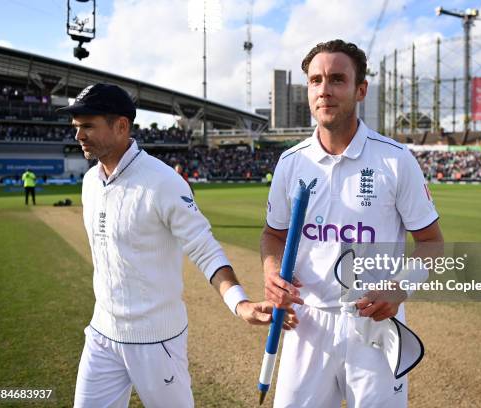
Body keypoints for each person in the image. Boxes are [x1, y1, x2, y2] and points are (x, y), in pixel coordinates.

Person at [57, 83, 295, 408]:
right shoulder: (89, 182)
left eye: (87, 126)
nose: (78, 135)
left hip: (157, 340)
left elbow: (204, 248)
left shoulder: (163, 182)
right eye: (76, 128)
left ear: (121, 126)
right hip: (102, 333)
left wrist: (239, 303)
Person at [261, 40, 444, 407]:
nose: (324, 90)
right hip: (307, 324)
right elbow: (272, 235)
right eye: (316, 80)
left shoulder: (395, 159)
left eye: (337, 79)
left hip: (373, 325)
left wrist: (398, 289)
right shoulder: (291, 162)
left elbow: (432, 243)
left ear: (360, 90)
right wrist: (270, 271)